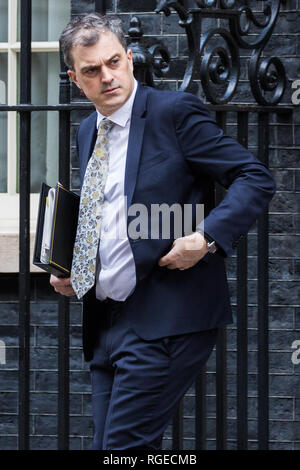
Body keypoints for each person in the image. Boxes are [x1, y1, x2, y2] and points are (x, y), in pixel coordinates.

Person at [51, 13, 276, 450]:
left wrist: (206, 237)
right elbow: (108, 213)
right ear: (75, 79)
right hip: (106, 323)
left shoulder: (174, 113)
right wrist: (73, 266)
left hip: (166, 319)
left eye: (114, 61)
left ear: (129, 58)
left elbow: (254, 176)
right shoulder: (86, 130)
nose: (108, 76)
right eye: (92, 70)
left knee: (120, 451)